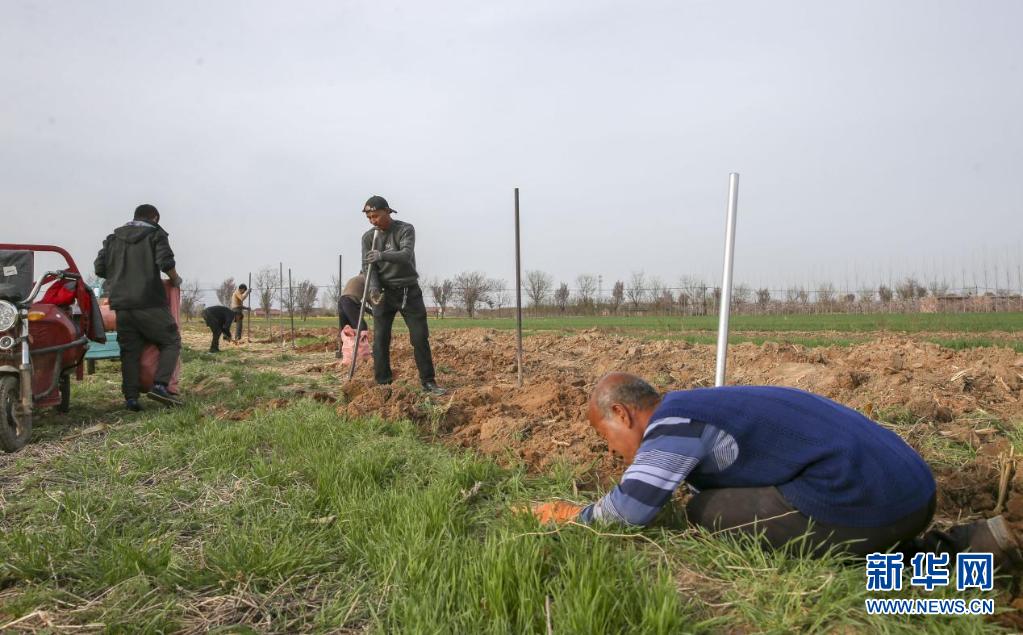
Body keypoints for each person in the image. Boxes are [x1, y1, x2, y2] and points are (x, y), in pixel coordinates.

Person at [528, 373, 1022, 569]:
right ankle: (973, 546)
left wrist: (572, 515)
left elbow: (632, 510)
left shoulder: (670, 424)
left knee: (706, 511)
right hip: (910, 485)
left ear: (622, 415)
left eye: (609, 441)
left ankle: (941, 561)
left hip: (867, 501)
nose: (616, 453)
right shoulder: (704, 404)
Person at [94, 203, 183, 410]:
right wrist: (176, 280)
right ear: (155, 218)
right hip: (150, 301)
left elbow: (99, 268)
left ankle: (131, 398)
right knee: (171, 340)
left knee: (130, 352)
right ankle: (160, 386)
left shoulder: (113, 239)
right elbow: (165, 262)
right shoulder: (155, 234)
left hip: (122, 306)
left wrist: (121, 277)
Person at [360, 195, 444, 395]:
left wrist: (382, 255)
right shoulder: (368, 238)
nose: (373, 221)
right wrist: (373, 288)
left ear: (387, 211)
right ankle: (383, 383)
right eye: (369, 217)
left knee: (419, 337)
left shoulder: (405, 229)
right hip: (383, 293)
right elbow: (367, 266)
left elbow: (405, 255)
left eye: (376, 216)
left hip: (408, 291)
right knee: (380, 338)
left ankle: (428, 382)